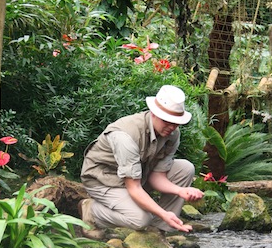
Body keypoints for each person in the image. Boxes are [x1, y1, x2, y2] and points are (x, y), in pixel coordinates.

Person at [79, 84, 203, 237]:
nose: (172, 127)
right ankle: (92, 212)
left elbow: (158, 175)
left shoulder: (172, 134)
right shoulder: (126, 136)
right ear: (153, 114)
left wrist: (181, 191)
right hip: (104, 180)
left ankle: (157, 232)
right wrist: (164, 213)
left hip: (136, 176)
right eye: (167, 121)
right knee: (140, 219)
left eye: (176, 122)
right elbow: (134, 188)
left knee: (185, 168)